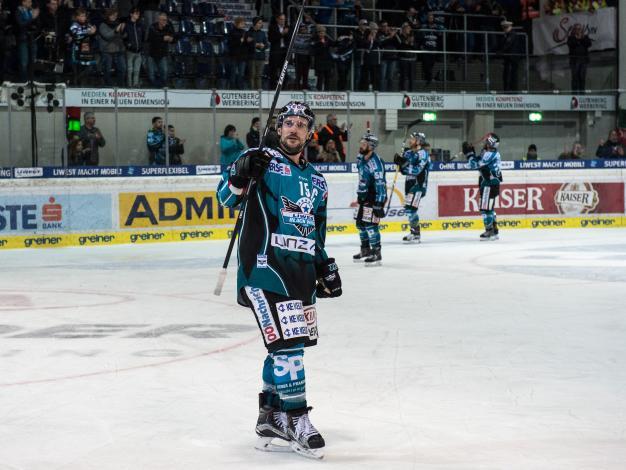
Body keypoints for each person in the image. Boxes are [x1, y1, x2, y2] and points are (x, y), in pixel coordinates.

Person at [216, 101, 341, 459]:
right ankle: (298, 419)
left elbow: (316, 231)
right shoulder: (261, 160)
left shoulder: (318, 181)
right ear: (279, 126)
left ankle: (271, 415)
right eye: (288, 123)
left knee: (291, 346)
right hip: (264, 269)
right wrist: (240, 175)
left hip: (300, 274)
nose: (294, 129)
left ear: (309, 133)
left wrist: (324, 265)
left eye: (302, 124)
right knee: (288, 347)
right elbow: (225, 198)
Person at [353, 130, 386, 265]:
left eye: (364, 143)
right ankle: (365, 250)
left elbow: (380, 184)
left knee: (371, 225)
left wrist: (379, 203)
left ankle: (376, 253)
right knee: (360, 224)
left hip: (373, 198)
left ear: (371, 146)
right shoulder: (360, 158)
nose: (361, 145)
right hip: (362, 197)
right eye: (361, 142)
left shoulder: (376, 163)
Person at [464, 135, 503, 241]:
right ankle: (494, 231)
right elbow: (477, 160)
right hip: (490, 182)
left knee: (485, 209)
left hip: (489, 183)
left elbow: (475, 164)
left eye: (487, 142)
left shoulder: (489, 154)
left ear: (490, 143)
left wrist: (469, 154)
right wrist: (471, 152)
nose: (484, 143)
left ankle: (489, 231)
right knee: (488, 208)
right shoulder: (488, 152)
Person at [393, 131, 430, 243]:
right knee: (409, 210)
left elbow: (417, 170)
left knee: (412, 209)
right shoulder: (408, 153)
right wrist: (400, 163)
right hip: (409, 184)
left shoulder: (423, 154)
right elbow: (403, 171)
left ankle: (416, 234)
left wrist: (405, 166)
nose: (410, 140)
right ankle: (413, 232)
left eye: (413, 139)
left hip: (419, 185)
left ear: (419, 141)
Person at [98, 8, 127, 87]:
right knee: (107, 70)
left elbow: (124, 36)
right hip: (107, 51)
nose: (114, 17)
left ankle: (121, 86)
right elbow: (107, 36)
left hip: (119, 50)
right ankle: (108, 86)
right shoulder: (103, 25)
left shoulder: (118, 23)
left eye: (116, 15)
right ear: (108, 15)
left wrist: (123, 30)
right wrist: (116, 31)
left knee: (123, 69)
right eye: (113, 15)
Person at [69, 7, 97, 86]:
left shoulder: (88, 24)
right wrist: (88, 33)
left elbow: (93, 33)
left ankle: (83, 85)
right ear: (77, 17)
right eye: (81, 16)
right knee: (77, 69)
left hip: (87, 50)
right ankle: (75, 86)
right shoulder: (74, 25)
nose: (83, 18)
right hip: (76, 50)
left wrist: (93, 32)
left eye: (84, 16)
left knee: (88, 68)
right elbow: (76, 35)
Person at [146, 12, 175, 88]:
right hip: (152, 54)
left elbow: (173, 38)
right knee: (151, 74)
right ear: (159, 20)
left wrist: (171, 39)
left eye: (165, 20)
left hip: (162, 54)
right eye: (162, 20)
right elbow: (152, 38)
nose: (164, 21)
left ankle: (163, 88)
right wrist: (163, 38)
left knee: (164, 72)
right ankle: (154, 88)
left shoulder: (168, 27)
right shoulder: (152, 27)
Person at [15, 0, 40, 81]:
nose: (31, 3)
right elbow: (20, 25)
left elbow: (37, 25)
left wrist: (36, 18)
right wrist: (32, 18)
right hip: (23, 39)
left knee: (33, 60)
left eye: (31, 1)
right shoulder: (19, 11)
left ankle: (32, 79)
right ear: (23, 2)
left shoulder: (32, 11)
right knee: (24, 62)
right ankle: (23, 80)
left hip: (33, 38)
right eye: (28, 1)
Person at [499, 20, 524, 92]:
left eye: (505, 27)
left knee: (510, 74)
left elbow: (508, 44)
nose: (504, 29)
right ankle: (510, 89)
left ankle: (510, 89)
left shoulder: (512, 34)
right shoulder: (509, 34)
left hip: (512, 58)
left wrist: (501, 51)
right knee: (509, 74)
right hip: (510, 57)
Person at [245, 16, 268, 90]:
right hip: (252, 57)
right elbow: (246, 44)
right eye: (259, 23)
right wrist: (256, 44)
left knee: (259, 76)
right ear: (255, 23)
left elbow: (267, 44)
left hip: (261, 57)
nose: (261, 24)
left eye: (261, 23)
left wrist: (263, 46)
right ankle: (252, 91)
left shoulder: (262, 33)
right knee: (252, 75)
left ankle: (259, 92)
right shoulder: (248, 33)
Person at [567, 23, 591, 92]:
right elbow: (571, 44)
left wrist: (582, 38)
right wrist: (577, 39)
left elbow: (589, 44)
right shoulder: (571, 38)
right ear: (574, 30)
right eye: (576, 29)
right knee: (575, 78)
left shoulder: (585, 37)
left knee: (582, 77)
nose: (578, 30)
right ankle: (574, 93)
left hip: (583, 61)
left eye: (579, 29)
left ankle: (582, 93)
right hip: (574, 61)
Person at [268, 13, 290, 89]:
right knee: (273, 71)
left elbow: (289, 40)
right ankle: (273, 88)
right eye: (281, 19)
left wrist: (286, 34)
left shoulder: (287, 27)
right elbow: (271, 39)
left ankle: (283, 88)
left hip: (284, 52)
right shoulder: (272, 27)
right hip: (275, 52)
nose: (283, 21)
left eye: (284, 19)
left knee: (283, 72)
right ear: (277, 19)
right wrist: (282, 34)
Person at [311, 25, 335, 91]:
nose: (322, 34)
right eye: (321, 32)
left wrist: (340, 40)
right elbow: (314, 51)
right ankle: (319, 91)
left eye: (323, 32)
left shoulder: (327, 39)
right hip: (319, 62)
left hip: (327, 61)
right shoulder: (314, 40)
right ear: (318, 33)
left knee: (328, 78)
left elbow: (334, 44)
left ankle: (327, 91)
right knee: (320, 78)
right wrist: (321, 44)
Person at [125, 7, 144, 87]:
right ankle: (129, 85)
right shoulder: (127, 25)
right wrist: (128, 45)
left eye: (138, 14)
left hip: (138, 51)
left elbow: (142, 37)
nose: (138, 15)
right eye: (136, 13)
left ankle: (135, 84)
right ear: (131, 14)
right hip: (129, 51)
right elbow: (124, 38)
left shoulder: (140, 25)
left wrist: (140, 46)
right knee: (130, 70)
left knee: (137, 70)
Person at [227, 16, 248, 89]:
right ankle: (232, 88)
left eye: (243, 23)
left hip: (242, 57)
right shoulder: (232, 32)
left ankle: (240, 88)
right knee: (233, 73)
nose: (243, 25)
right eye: (241, 23)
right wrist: (239, 41)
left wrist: (248, 42)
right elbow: (230, 44)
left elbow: (246, 45)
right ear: (236, 23)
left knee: (241, 74)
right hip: (234, 56)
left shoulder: (244, 32)